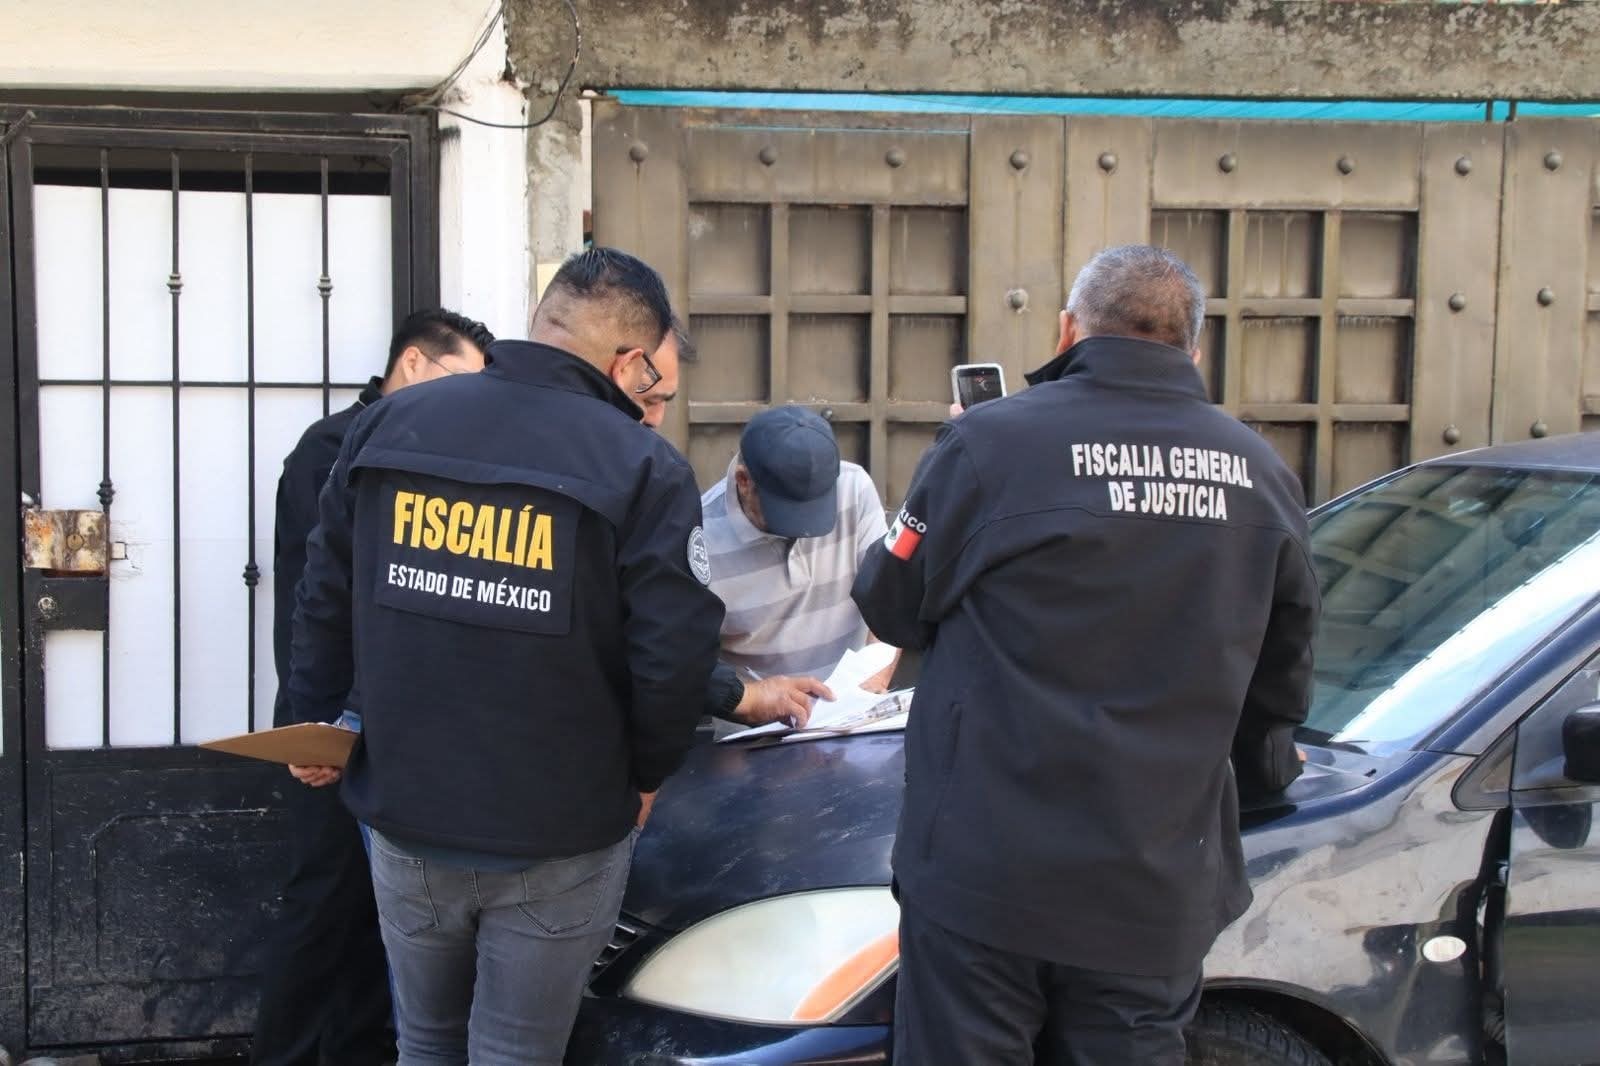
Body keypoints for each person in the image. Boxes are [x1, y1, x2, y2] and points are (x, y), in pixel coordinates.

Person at [852, 244, 1318, 1065]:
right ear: (1195, 347)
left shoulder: (989, 444)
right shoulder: (1260, 473)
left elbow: (890, 602)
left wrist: (956, 459)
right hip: (1149, 888)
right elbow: (1280, 680)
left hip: (985, 876)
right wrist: (1257, 780)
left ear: (1068, 330)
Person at [287, 247, 723, 1066]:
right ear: (628, 361)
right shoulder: (643, 467)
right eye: (652, 381)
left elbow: (325, 592)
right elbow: (673, 655)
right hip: (560, 831)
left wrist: (311, 720)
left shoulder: (391, 424)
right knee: (516, 1053)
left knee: (425, 1043)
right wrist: (646, 776)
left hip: (407, 814)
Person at [253, 308, 492, 1066]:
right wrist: (324, 724)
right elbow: (315, 607)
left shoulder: (436, 454)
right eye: (459, 382)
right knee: (322, 903)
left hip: (404, 725)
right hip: (331, 720)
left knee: (384, 912)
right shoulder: (329, 451)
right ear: (413, 364)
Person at [699, 406, 897, 729]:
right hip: (757, 733)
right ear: (744, 481)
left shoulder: (854, 489)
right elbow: (684, 659)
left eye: (816, 511)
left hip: (851, 718)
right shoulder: (701, 534)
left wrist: (873, 678)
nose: (804, 529)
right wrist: (751, 699)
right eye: (788, 512)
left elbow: (890, 598)